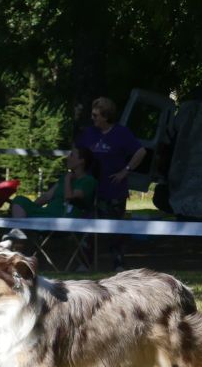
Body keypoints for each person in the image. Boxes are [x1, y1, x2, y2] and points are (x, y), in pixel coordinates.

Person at [75, 97, 146, 270]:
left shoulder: (122, 133)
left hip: (114, 190)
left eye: (96, 115)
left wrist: (126, 171)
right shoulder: (89, 133)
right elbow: (77, 153)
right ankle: (84, 264)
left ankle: (118, 263)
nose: (93, 118)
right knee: (87, 226)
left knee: (115, 229)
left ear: (106, 116)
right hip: (91, 189)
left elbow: (141, 151)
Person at [10, 147, 97, 219]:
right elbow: (47, 196)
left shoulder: (88, 180)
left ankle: (17, 235)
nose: (68, 158)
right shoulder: (65, 176)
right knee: (19, 200)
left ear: (81, 161)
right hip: (48, 212)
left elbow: (69, 197)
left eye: (72, 155)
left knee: (25, 214)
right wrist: (31, 207)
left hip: (64, 216)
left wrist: (67, 180)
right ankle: (18, 233)